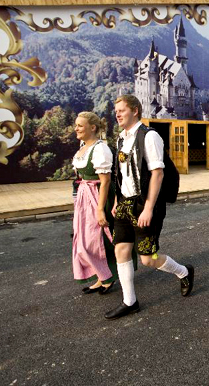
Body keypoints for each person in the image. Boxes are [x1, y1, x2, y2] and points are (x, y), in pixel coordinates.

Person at [104, 95, 194, 320]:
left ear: (135, 110)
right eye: (116, 111)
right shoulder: (121, 138)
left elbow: (157, 173)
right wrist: (116, 201)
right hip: (125, 202)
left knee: (147, 258)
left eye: (122, 110)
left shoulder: (149, 136)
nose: (117, 114)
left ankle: (183, 271)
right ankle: (129, 301)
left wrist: (148, 208)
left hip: (145, 203)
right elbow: (120, 173)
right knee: (121, 250)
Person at [72, 112, 117, 295]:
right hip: (85, 195)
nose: (76, 128)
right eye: (76, 125)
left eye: (80, 126)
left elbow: (105, 181)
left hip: (98, 196)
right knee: (84, 240)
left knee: (99, 239)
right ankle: (101, 276)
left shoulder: (100, 149)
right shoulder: (83, 147)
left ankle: (108, 277)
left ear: (92, 128)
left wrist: (100, 209)